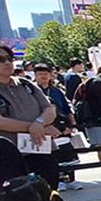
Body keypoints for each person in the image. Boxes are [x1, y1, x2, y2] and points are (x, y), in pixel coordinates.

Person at [0, 40, 62, 192]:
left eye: (10, 58)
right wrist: (33, 127)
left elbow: (49, 109)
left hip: (42, 149)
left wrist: (39, 123)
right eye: (0, 59)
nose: (7, 63)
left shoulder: (26, 84)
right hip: (10, 155)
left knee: (49, 197)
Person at [34, 63, 82, 192]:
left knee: (68, 154)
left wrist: (72, 124)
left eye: (46, 73)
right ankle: (59, 181)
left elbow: (66, 109)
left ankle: (72, 180)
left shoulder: (56, 91)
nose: (43, 76)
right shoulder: (32, 91)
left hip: (62, 125)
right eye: (40, 74)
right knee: (53, 157)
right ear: (35, 75)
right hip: (44, 128)